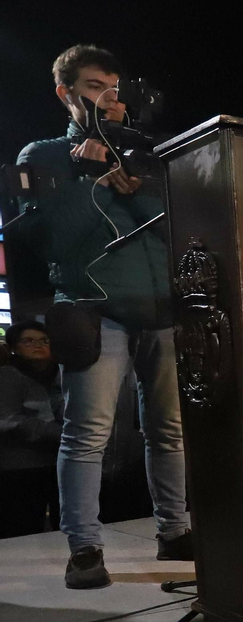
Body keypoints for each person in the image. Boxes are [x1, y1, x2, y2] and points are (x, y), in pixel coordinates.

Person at [13, 44, 190, 588]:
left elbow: (177, 226)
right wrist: (91, 179)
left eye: (115, 89)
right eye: (94, 87)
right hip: (94, 310)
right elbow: (50, 241)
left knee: (170, 430)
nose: (109, 99)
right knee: (87, 433)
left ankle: (175, 530)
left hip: (161, 309)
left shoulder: (149, 153)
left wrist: (134, 182)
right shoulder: (44, 155)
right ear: (65, 93)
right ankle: (85, 548)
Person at [0, 323, 62, 538]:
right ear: (13, 347)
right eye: (29, 341)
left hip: (57, 463)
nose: (38, 345)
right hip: (20, 467)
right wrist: (62, 433)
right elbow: (7, 419)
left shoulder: (59, 375)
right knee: (22, 530)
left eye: (45, 341)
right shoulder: (8, 376)